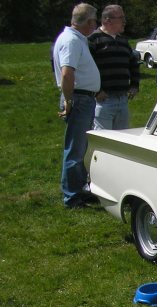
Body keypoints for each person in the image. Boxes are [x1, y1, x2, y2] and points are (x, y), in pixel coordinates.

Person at [52, 3, 101, 209]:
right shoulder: (72, 41)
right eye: (94, 21)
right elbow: (67, 73)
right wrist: (69, 101)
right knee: (75, 149)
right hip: (78, 99)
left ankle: (78, 189)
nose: (96, 25)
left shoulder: (76, 39)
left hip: (82, 98)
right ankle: (71, 196)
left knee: (80, 148)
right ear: (89, 22)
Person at [88, 4, 139, 131]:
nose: (124, 22)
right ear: (107, 20)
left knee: (121, 140)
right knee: (103, 142)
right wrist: (97, 91)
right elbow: (87, 68)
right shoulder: (94, 40)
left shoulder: (124, 41)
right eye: (121, 18)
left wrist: (134, 85)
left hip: (122, 99)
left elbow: (133, 64)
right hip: (103, 100)